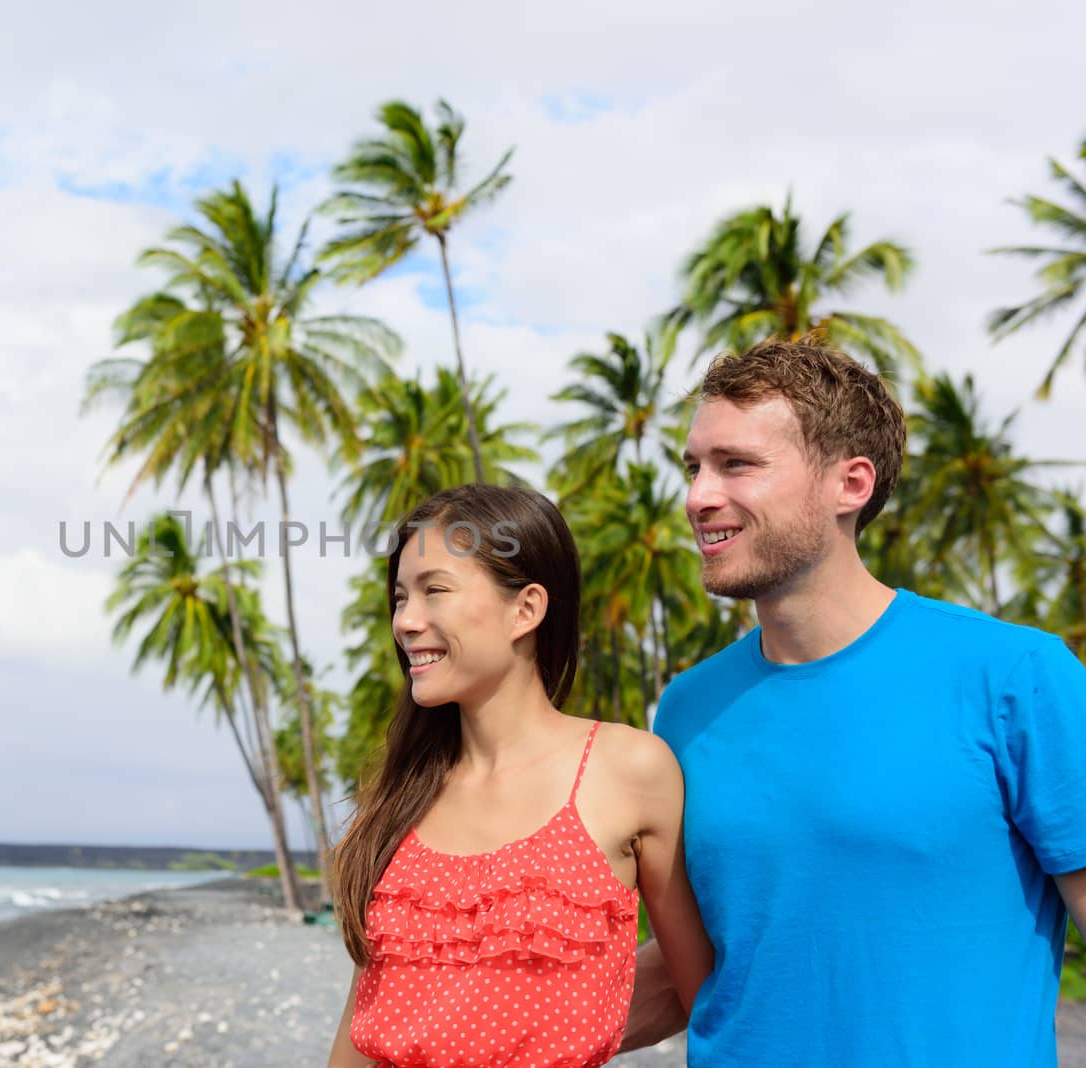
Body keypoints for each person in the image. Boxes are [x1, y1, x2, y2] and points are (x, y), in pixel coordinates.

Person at [623, 337, 1086, 1065]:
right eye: (694, 466)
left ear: (852, 483)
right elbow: (709, 964)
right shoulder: (688, 709)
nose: (697, 496)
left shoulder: (1015, 676)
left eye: (736, 464)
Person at [327, 484, 713, 1068]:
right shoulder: (402, 798)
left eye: (435, 591)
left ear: (526, 609)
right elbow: (362, 1028)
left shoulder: (627, 770)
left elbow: (703, 997)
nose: (406, 620)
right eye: (401, 597)